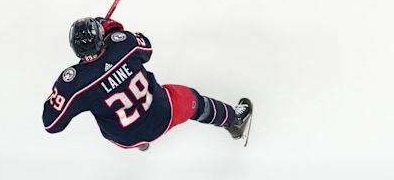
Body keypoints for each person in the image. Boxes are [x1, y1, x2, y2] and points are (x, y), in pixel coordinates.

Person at [42, 17, 252, 150]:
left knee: (107, 112)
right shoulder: (124, 46)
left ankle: (141, 144)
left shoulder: (74, 84)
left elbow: (51, 124)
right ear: (101, 37)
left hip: (123, 138)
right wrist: (114, 31)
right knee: (194, 101)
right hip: (161, 116)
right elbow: (147, 48)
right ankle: (234, 122)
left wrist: (62, 90)